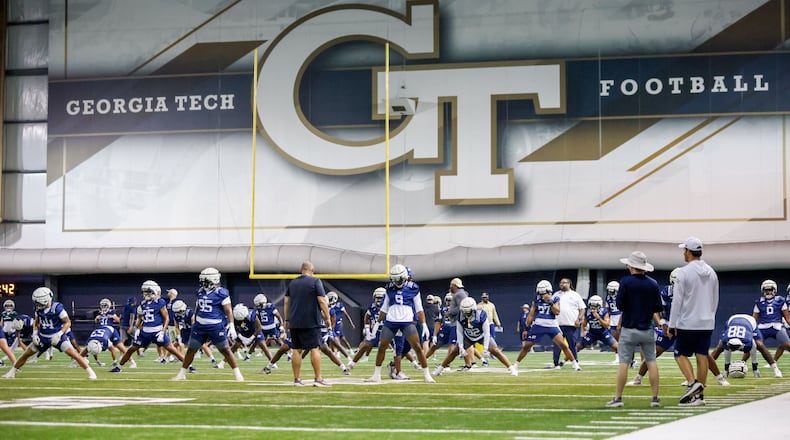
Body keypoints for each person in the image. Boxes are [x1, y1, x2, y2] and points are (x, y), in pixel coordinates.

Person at [605, 251, 663, 408]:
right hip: (647, 328)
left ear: (631, 266)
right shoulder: (653, 283)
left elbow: (619, 304)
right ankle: (655, 398)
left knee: (624, 362)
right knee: (651, 361)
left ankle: (618, 398)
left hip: (629, 328)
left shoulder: (626, 282)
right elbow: (658, 307)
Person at [668, 237, 719, 407]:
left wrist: (672, 324)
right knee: (702, 355)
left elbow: (677, 301)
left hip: (688, 321)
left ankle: (692, 384)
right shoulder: (712, 272)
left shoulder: (683, 272)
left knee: (679, 354)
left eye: (684, 250)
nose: (683, 253)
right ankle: (700, 396)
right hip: (707, 322)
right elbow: (715, 299)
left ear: (689, 251)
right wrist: (710, 316)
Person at [3, 287, 96, 379]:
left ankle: (91, 373)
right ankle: (11, 372)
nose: (37, 305)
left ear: (46, 300)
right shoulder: (38, 309)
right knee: (26, 354)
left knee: (73, 354)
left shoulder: (57, 308)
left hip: (57, 336)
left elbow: (68, 322)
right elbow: (36, 322)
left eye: (39, 302)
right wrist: (35, 334)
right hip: (43, 337)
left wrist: (59, 334)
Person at [365, 264, 435, 383]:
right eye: (395, 280)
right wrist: (377, 323)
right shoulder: (389, 288)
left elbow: (419, 308)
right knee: (382, 347)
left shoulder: (413, 288)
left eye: (399, 279)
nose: (397, 282)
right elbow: (385, 308)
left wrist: (424, 324)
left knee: (417, 347)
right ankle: (376, 375)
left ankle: (427, 375)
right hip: (391, 322)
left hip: (407, 322)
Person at [173, 268, 243, 381]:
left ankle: (238, 374)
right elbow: (198, 307)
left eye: (205, 281)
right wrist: (195, 320)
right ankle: (182, 374)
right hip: (199, 326)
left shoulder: (221, 293)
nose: (203, 283)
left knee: (225, 350)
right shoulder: (200, 291)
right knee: (191, 349)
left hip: (215, 326)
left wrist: (231, 325)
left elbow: (228, 310)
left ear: (213, 280)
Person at [111, 280, 187, 374]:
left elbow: (166, 318)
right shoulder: (143, 304)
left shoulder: (160, 302)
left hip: (157, 331)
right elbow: (141, 319)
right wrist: (138, 329)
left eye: (148, 292)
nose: (146, 294)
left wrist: (162, 331)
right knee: (131, 349)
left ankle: (189, 366)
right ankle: (119, 367)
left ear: (154, 291)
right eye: (145, 292)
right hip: (145, 333)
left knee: (172, 350)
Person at [283, 261, 332, 387]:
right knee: (315, 348)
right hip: (311, 321)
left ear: (301, 270)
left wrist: (287, 319)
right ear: (312, 270)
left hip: (294, 321)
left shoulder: (292, 283)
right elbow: (322, 301)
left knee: (296, 349)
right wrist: (327, 318)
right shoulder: (315, 281)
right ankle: (318, 378)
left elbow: (286, 302)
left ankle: (296, 379)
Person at [514, 280, 581, 371]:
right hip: (539, 325)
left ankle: (575, 364)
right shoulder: (537, 299)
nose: (542, 295)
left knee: (563, 345)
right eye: (540, 293)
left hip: (552, 325)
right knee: (527, 346)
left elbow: (557, 312)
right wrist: (526, 328)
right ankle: (515, 364)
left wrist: (550, 301)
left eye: (543, 293)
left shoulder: (555, 298)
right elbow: (531, 315)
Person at [709, 313, 782, 379]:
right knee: (719, 347)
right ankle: (705, 366)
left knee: (759, 345)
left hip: (749, 321)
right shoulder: (726, 340)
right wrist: (726, 369)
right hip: (732, 320)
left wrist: (755, 368)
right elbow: (726, 349)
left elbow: (753, 350)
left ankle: (776, 369)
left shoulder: (747, 340)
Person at [347, 288, 386, 370]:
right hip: (376, 331)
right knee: (365, 346)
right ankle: (351, 364)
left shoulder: (389, 307)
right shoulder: (372, 307)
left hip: (388, 330)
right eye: (377, 297)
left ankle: (409, 363)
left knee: (400, 349)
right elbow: (366, 317)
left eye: (381, 298)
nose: (378, 300)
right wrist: (368, 331)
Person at [752, 279, 790, 363]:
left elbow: (788, 319)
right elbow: (754, 320)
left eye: (770, 290)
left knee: (786, 344)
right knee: (752, 344)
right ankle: (742, 362)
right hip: (762, 327)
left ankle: (773, 361)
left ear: (774, 290)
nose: (768, 292)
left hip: (777, 326)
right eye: (766, 290)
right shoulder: (759, 302)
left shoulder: (780, 301)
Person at [552, 278, 586, 369]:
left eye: (564, 283)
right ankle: (555, 363)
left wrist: (579, 319)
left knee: (572, 344)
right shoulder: (556, 295)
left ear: (569, 284)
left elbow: (582, 308)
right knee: (557, 344)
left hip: (571, 324)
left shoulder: (575, 295)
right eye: (561, 283)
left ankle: (575, 362)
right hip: (558, 324)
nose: (562, 284)